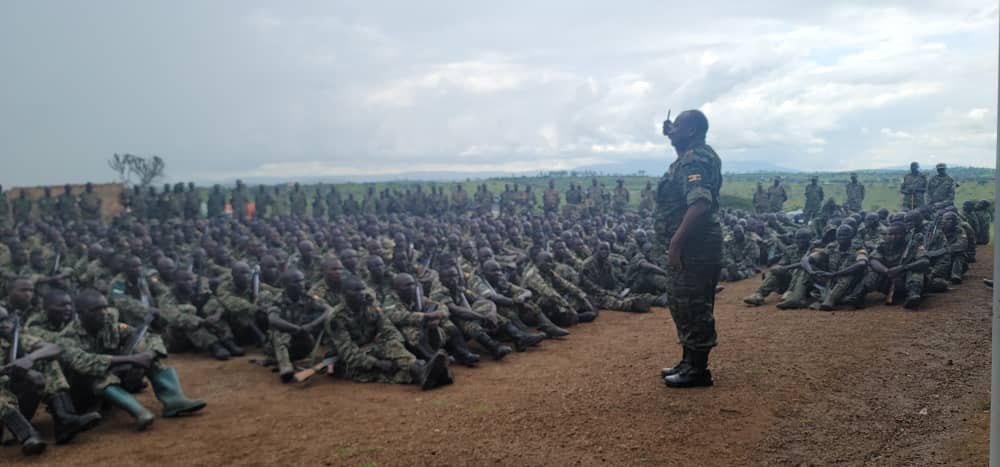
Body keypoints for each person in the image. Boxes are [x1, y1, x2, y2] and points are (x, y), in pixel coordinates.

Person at [655, 109, 722, 388]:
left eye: (678, 125)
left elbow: (700, 204)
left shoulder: (694, 159)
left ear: (692, 130)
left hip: (694, 246)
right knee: (683, 302)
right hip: (694, 245)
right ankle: (688, 360)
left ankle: (698, 370)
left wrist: (676, 243)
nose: (672, 129)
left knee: (693, 304)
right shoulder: (690, 156)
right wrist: (673, 136)